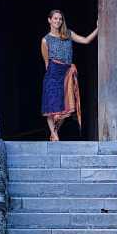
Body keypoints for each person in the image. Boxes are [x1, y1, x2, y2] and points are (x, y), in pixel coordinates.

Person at [41, 9, 97, 141]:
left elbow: (86, 40)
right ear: (50, 20)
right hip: (53, 73)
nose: (58, 21)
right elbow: (46, 62)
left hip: (67, 72)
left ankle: (54, 132)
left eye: (60, 19)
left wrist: (98, 28)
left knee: (66, 106)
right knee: (51, 105)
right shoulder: (45, 40)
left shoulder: (68, 34)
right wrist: (51, 77)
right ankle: (55, 135)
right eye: (55, 18)